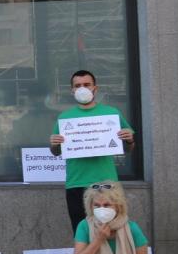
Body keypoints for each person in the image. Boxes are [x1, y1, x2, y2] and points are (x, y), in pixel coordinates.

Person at [49, 70, 135, 232]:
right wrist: (54, 144)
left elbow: (128, 148)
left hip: (107, 184)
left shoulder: (112, 113)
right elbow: (56, 152)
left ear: (95, 88)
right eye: (78, 86)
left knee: (112, 232)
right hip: (76, 183)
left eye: (87, 85)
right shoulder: (64, 117)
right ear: (72, 90)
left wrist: (129, 140)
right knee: (82, 233)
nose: (83, 88)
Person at [71, 181, 149, 254]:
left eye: (107, 205)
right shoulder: (85, 226)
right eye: (96, 205)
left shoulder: (132, 228)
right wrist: (99, 238)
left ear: (118, 206)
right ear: (90, 207)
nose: (102, 209)